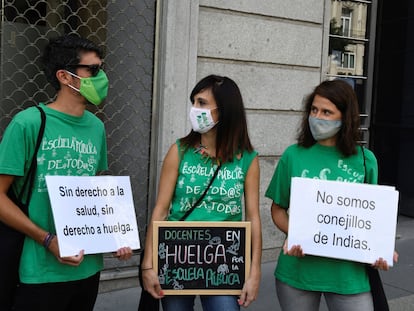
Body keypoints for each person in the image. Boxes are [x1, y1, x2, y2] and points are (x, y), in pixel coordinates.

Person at [0, 34, 132, 311]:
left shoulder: (96, 127)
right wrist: (47, 240)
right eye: (93, 70)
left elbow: (95, 190)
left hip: (87, 269)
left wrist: (118, 234)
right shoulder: (28, 124)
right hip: (38, 272)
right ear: (65, 76)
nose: (102, 77)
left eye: (101, 68)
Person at [265, 79, 398, 311]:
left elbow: (371, 218)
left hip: (348, 276)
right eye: (314, 110)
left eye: (327, 112)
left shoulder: (366, 160)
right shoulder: (293, 156)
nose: (318, 117)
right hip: (298, 272)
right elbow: (277, 209)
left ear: (345, 117)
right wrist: (295, 233)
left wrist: (380, 248)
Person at [141, 74, 262, 310]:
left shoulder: (247, 159)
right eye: (194, 101)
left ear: (225, 110)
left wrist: (254, 270)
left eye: (202, 103)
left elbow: (254, 217)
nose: (195, 109)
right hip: (177, 258)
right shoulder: (179, 151)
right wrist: (148, 264)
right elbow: (161, 209)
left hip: (224, 262)